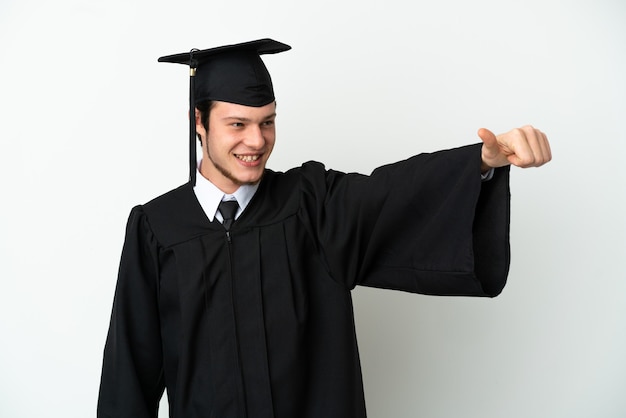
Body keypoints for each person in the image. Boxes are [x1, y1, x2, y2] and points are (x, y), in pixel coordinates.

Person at [97, 38, 551, 418]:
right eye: (237, 124)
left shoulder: (312, 206)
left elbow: (392, 192)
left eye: (267, 122)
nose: (256, 141)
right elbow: (129, 375)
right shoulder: (157, 228)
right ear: (199, 122)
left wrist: (483, 163)